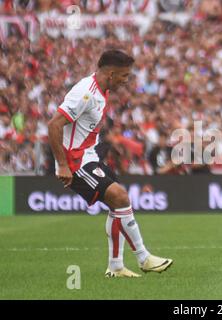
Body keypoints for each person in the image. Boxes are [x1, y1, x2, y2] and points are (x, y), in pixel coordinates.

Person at [48, 50, 173, 278]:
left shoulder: (102, 90)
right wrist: (63, 165)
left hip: (89, 156)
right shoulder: (85, 92)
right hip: (75, 162)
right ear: (112, 73)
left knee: (118, 205)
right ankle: (144, 258)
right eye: (124, 76)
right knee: (120, 197)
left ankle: (116, 266)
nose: (126, 81)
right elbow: (54, 125)